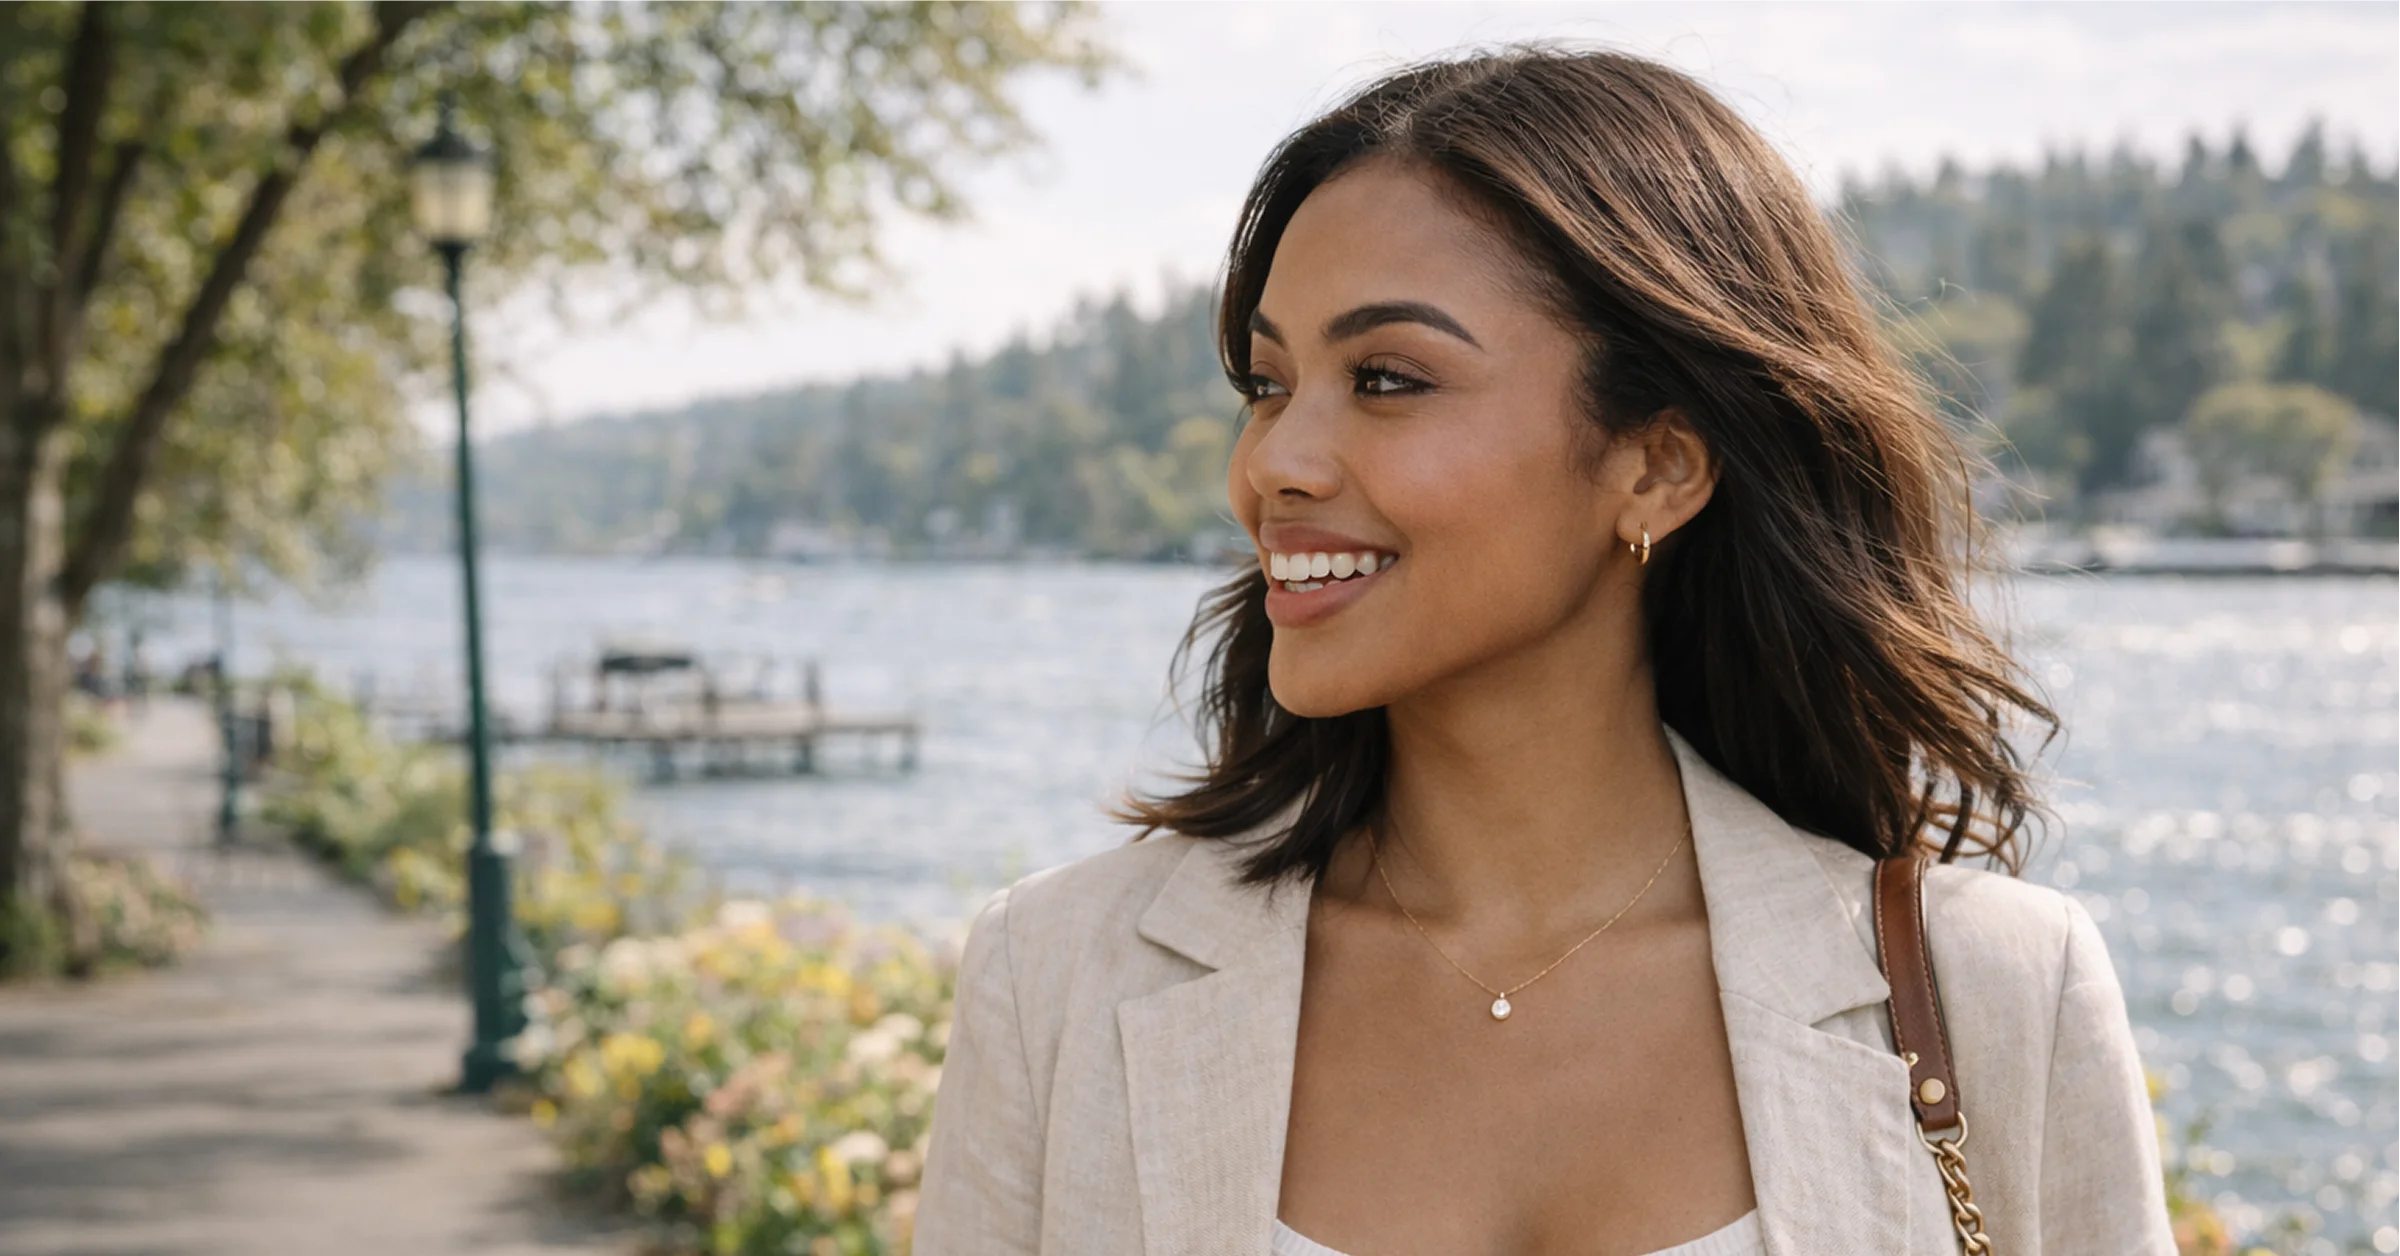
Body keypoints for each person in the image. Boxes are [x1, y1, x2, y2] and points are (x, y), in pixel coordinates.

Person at [914, 47, 2172, 1255]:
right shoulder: (1060, 977)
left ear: (1658, 464)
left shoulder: (1998, 991)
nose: (1275, 465)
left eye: (1390, 378)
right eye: (1267, 383)